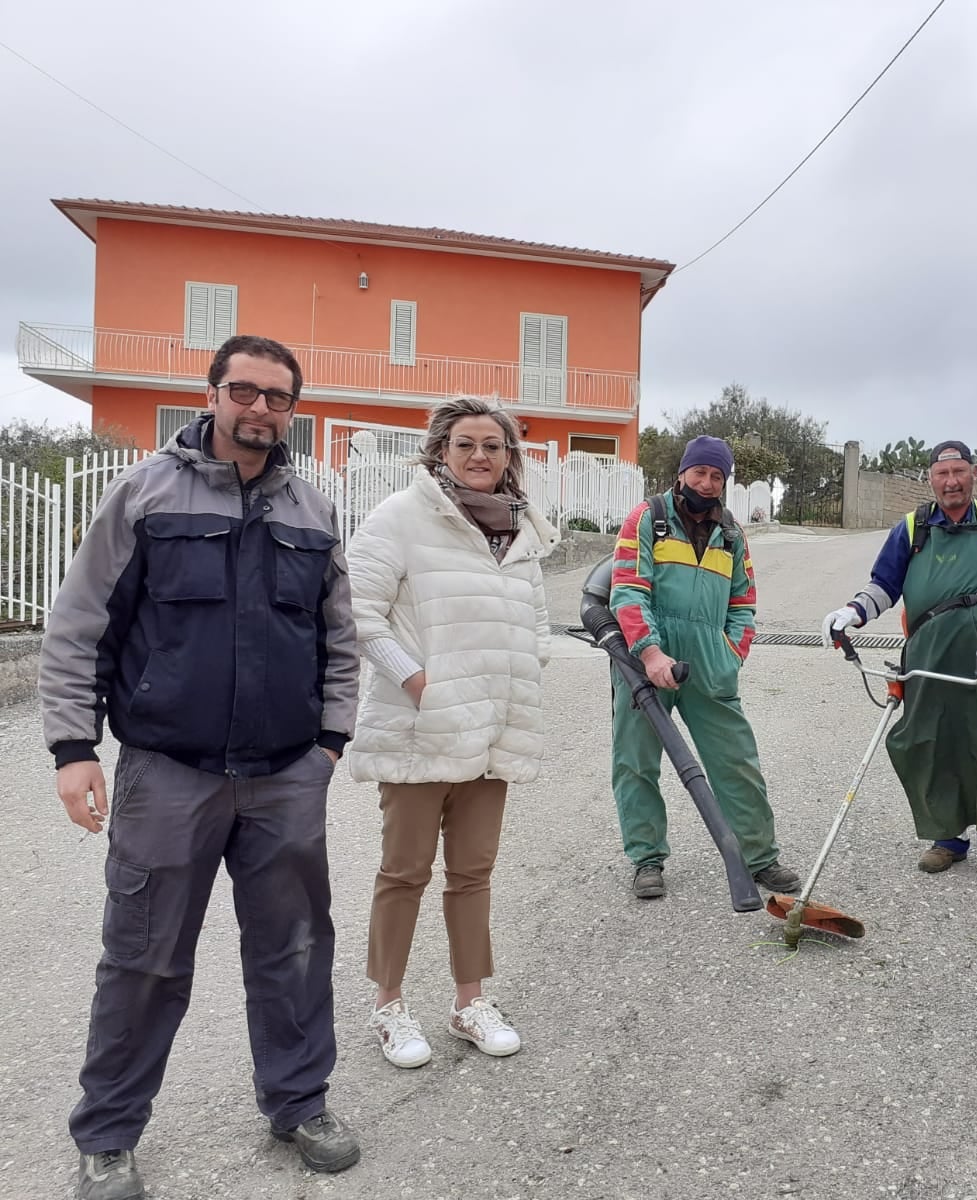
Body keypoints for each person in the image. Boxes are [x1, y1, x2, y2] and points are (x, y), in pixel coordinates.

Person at [39, 335, 362, 1200]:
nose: (261, 409)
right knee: (142, 958)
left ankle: (298, 1102)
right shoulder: (143, 494)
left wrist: (331, 743)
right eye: (245, 391)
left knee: (294, 949)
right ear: (213, 394)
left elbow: (340, 641)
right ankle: (107, 1135)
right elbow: (79, 628)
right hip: (167, 773)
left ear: (294, 408)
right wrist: (74, 749)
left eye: (278, 397)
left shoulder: (314, 511)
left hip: (286, 775)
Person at [345, 396, 559, 1069]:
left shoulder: (523, 530)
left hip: (492, 731)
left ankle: (470, 1001)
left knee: (473, 873)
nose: (479, 456)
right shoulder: (402, 517)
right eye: (465, 443)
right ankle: (389, 1006)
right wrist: (419, 684)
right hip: (420, 730)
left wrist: (525, 666)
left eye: (493, 445)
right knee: (404, 872)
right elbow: (357, 612)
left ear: (509, 457)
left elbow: (536, 620)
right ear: (441, 450)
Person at [822, 439, 977, 892]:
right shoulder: (912, 528)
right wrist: (851, 612)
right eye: (942, 474)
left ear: (973, 474)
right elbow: (883, 586)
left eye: (959, 472)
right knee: (931, 740)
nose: (951, 481)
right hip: (928, 656)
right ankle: (947, 837)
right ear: (930, 479)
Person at [608, 435, 799, 899]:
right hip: (645, 660)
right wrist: (650, 652)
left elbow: (743, 603)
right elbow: (628, 589)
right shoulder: (647, 519)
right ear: (682, 473)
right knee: (636, 761)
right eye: (700, 473)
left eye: (718, 476)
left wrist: (731, 654)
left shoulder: (732, 534)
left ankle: (760, 858)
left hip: (709, 664)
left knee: (736, 761)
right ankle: (647, 859)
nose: (708, 483)